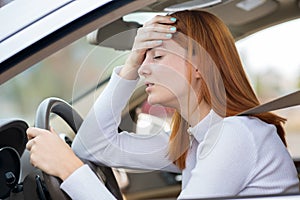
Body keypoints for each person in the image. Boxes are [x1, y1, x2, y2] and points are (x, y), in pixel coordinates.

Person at [26, 10, 299, 199]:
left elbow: (80, 154)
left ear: (199, 65)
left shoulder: (235, 134)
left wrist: (68, 169)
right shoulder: (195, 142)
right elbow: (92, 147)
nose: (143, 69)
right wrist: (131, 63)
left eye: (156, 57)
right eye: (143, 59)